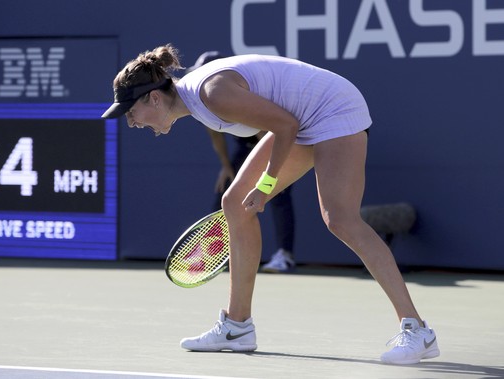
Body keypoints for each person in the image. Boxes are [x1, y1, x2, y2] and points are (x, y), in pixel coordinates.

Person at [101, 44, 440, 365]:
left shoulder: (211, 94)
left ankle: (418, 331)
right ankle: (236, 327)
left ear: (155, 99)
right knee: (235, 203)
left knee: (340, 218)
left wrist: (266, 185)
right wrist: (262, 184)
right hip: (302, 117)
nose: (133, 122)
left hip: (334, 107)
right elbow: (285, 123)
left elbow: (285, 125)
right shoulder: (196, 101)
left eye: (132, 113)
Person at [187, 51, 296, 273]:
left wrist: (269, 176)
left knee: (278, 195)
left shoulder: (233, 93)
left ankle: (285, 256)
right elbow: (215, 135)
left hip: (275, 140)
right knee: (225, 192)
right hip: (245, 146)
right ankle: (211, 254)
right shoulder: (207, 100)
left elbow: (267, 135)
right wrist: (227, 167)